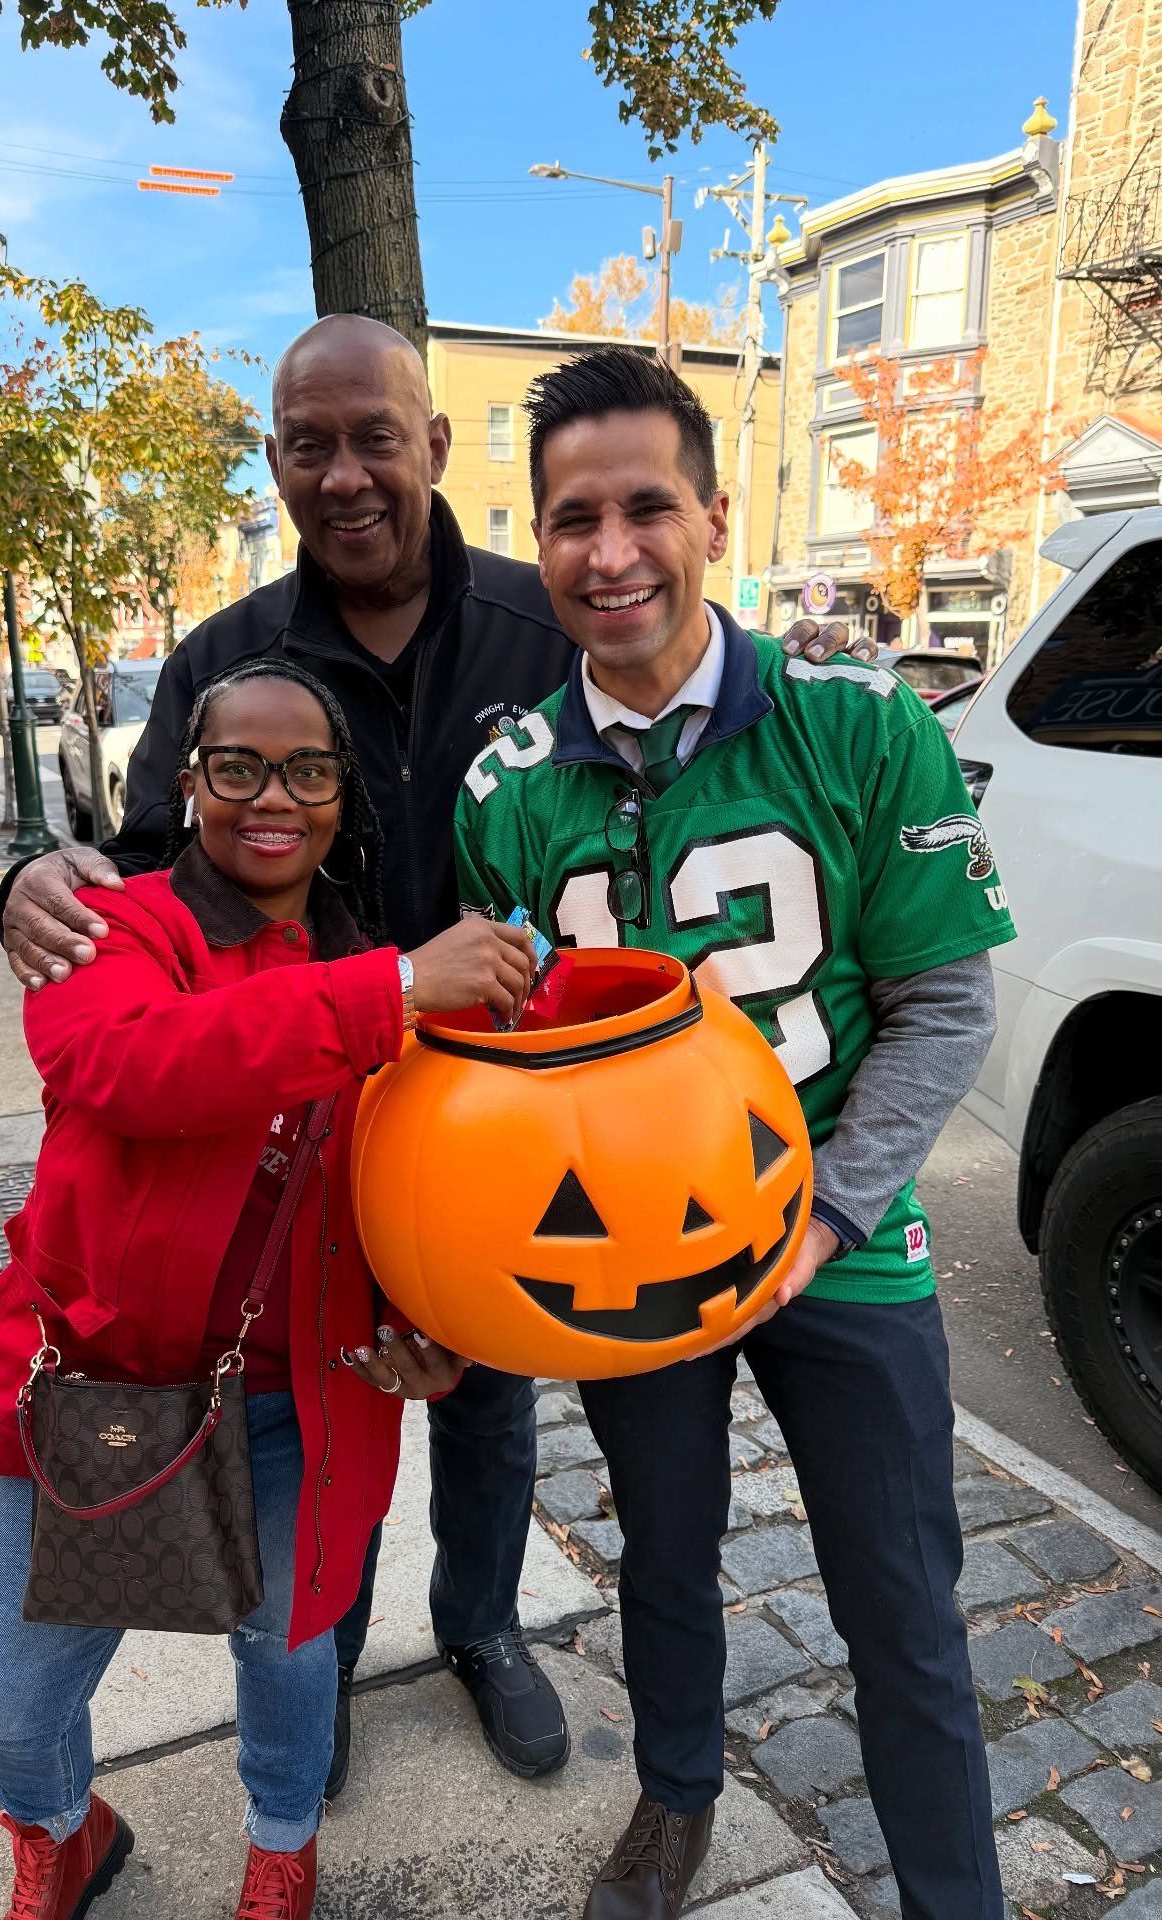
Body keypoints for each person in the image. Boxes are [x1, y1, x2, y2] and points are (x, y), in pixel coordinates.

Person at [0, 313, 874, 1798]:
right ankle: (314, 1655)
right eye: (307, 444)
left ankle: (479, 1624)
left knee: (487, 1400)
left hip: (507, 1139)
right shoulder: (226, 658)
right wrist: (27, 873)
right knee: (315, 1411)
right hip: (297, 1129)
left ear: (435, 448)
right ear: (274, 461)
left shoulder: (550, 623)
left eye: (375, 438)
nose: (343, 474)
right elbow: (145, 877)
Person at [452, 346, 1014, 1920]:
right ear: (541, 543)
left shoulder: (855, 723)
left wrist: (826, 1215)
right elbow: (498, 1064)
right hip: (633, 1256)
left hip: (842, 1238)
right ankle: (678, 1796)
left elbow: (946, 1009)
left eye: (645, 506)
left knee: (903, 1600)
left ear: (710, 513)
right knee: (666, 1552)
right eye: (573, 517)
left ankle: (952, 1892)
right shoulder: (505, 787)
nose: (610, 549)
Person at [0, 659, 536, 1920]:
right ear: (189, 781)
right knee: (12, 1699)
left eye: (308, 770)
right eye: (236, 766)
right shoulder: (129, 926)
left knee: (291, 1656)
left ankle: (281, 1848)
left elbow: (429, 1189)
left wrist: (435, 1330)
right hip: (105, 1387)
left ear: (340, 795)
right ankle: (62, 1829)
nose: (274, 798)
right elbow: (132, 1066)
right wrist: (399, 988)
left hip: (299, 1397)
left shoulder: (376, 970)